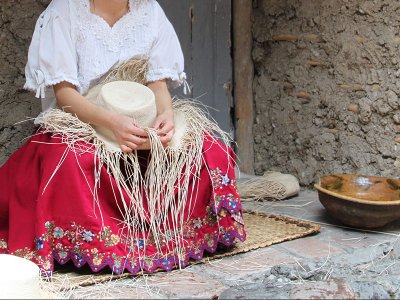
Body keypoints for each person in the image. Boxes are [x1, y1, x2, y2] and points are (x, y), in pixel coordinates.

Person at [0, 0, 245, 275]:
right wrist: (111, 122)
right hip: (84, 123)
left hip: (141, 125)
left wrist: (164, 116)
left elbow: (157, 84)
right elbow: (65, 95)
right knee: (70, 162)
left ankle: (174, 235)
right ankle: (101, 243)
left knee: (212, 151)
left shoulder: (149, 11)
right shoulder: (64, 12)